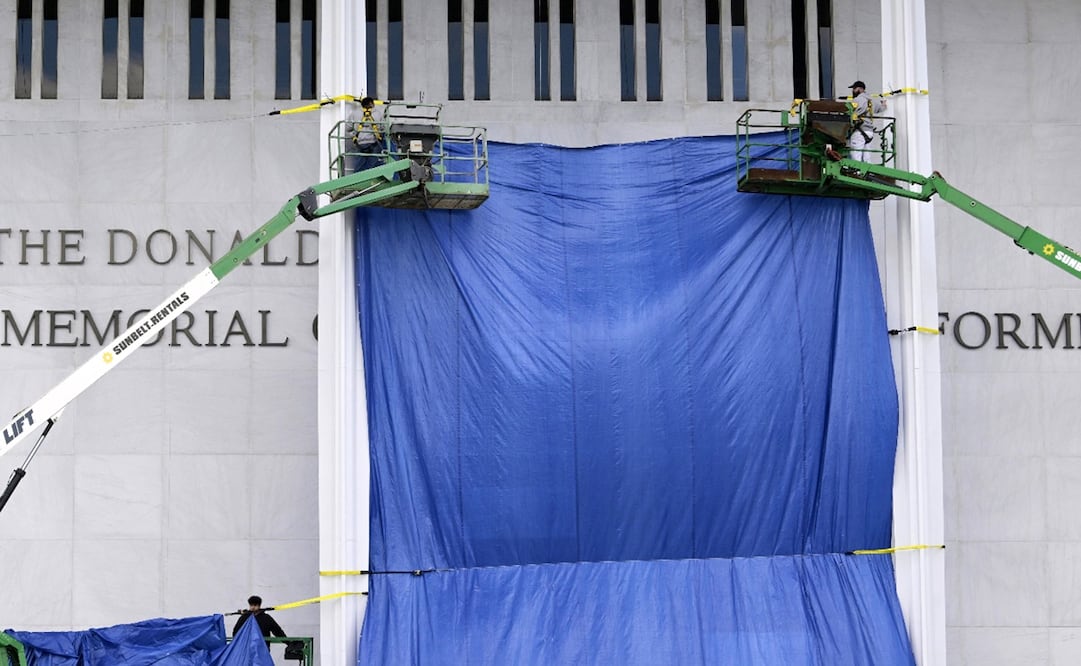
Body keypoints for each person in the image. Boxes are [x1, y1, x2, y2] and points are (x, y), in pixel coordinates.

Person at [846, 80, 887, 163]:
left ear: (861, 89)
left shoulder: (857, 100)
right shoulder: (871, 101)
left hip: (859, 132)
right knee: (867, 158)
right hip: (869, 133)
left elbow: (848, 111)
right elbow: (881, 108)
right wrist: (883, 104)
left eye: (854, 88)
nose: (853, 91)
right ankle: (867, 174)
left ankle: (856, 173)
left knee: (855, 156)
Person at [346, 96, 385, 173]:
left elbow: (347, 128)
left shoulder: (354, 114)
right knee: (373, 167)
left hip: (359, 143)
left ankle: (357, 181)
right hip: (374, 143)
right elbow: (383, 128)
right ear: (372, 104)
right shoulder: (378, 114)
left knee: (358, 167)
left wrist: (353, 135)